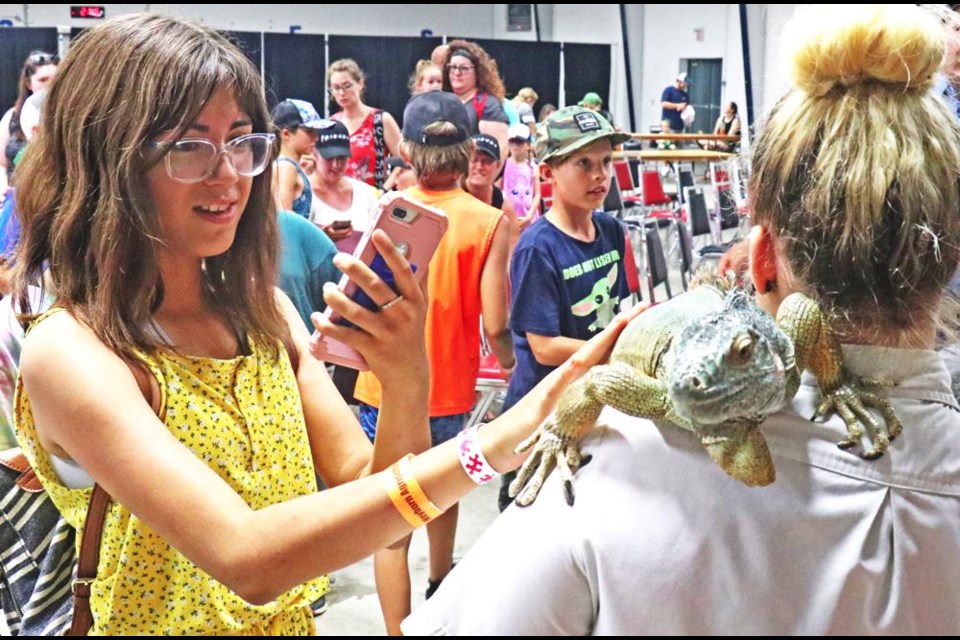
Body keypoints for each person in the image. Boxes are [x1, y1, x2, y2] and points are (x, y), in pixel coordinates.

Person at [10, 14, 641, 635]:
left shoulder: (264, 317)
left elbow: (376, 500)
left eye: (240, 141)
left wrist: (402, 374)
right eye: (189, 147)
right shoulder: (73, 351)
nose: (228, 175)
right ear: (105, 158)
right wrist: (498, 440)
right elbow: (246, 558)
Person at [404, 4, 960, 634]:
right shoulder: (660, 395)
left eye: (604, 161)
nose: (598, 175)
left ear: (761, 259)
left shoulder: (599, 489)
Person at [352, 91, 515, 634]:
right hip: (450, 387)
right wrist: (511, 361)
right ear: (470, 151)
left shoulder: (389, 213)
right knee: (443, 496)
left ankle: (398, 629)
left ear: (410, 154)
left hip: (385, 388)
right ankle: (440, 594)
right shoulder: (491, 221)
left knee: (390, 524)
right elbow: (495, 323)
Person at [493, 106, 632, 512]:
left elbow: (611, 316)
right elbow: (544, 347)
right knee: (528, 526)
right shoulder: (538, 247)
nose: (599, 175)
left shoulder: (610, 230)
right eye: (583, 163)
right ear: (549, 172)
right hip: (541, 410)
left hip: (589, 399)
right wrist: (614, 351)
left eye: (606, 162)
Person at [328, 58, 402, 190]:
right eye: (336, 88)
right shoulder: (331, 123)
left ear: (360, 84)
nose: (341, 93)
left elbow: (402, 160)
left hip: (373, 197)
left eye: (347, 86)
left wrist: (384, 190)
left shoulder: (380, 120)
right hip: (340, 198)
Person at [308, 119, 379, 251]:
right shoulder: (304, 194)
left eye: (341, 157)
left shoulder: (366, 193)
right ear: (314, 154)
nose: (336, 165)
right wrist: (323, 237)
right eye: (329, 158)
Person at [0, 51, 57, 199]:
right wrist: (2, 188)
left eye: (56, 79)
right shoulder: (12, 117)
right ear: (28, 83)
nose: (50, 84)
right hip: (14, 201)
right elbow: (1, 163)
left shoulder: (67, 119)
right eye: (43, 79)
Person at [441, 40, 510, 151]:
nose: (457, 73)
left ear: (477, 71)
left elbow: (499, 151)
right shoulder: (441, 101)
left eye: (464, 68)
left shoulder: (488, 105)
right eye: (453, 67)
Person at [463, 133, 521, 248]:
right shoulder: (450, 195)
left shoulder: (504, 208)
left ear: (498, 165)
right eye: (474, 160)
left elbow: (512, 251)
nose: (479, 166)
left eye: (487, 161)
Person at [272, 99, 324, 218]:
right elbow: (284, 221)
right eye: (309, 131)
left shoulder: (288, 166)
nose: (316, 138)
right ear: (286, 134)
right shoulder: (286, 167)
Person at [501, 123, 541, 229]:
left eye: (519, 142)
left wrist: (529, 216)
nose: (514, 146)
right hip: (508, 218)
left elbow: (537, 195)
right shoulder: (503, 165)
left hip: (529, 219)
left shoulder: (533, 168)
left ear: (527, 145)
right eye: (512, 142)